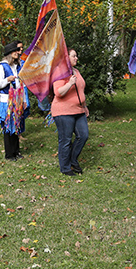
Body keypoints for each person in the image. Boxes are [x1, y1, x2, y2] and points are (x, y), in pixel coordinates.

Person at [51, 48, 89, 176]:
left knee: (83, 135)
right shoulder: (60, 72)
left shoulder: (76, 71)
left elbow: (80, 90)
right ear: (66, 58)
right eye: (74, 56)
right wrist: (70, 83)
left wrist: (84, 106)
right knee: (65, 140)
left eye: (76, 56)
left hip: (79, 110)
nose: (76, 58)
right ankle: (65, 167)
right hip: (63, 111)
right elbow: (58, 92)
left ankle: (73, 160)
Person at [0, 42, 26, 160]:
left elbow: (20, 84)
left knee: (16, 126)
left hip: (17, 100)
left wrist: (23, 99)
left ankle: (16, 151)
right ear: (9, 54)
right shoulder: (2, 66)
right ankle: (9, 154)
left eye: (18, 51)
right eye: (15, 51)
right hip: (6, 101)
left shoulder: (17, 66)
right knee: (8, 127)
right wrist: (7, 80)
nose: (18, 53)